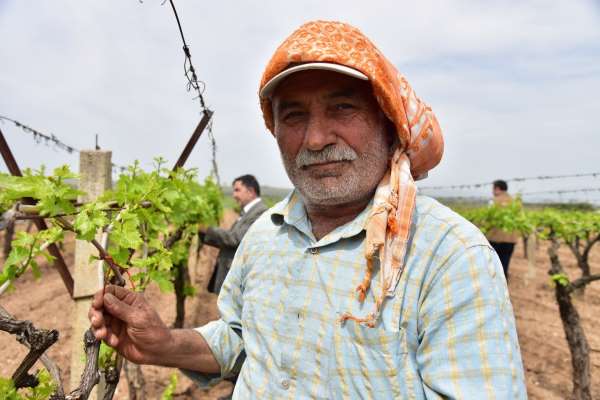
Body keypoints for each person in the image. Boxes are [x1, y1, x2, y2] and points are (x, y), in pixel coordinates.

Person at [89, 21, 526, 399]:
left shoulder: (450, 257)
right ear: (275, 131)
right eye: (294, 116)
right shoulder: (264, 235)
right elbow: (241, 341)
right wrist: (164, 343)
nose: (316, 138)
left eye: (343, 107)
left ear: (388, 122)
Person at [201, 174, 267, 295]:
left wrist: (208, 230)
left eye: (237, 190)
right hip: (233, 277)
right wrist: (202, 234)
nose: (234, 195)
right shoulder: (249, 213)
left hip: (238, 281)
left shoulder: (260, 213)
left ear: (251, 191)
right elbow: (230, 242)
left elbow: (235, 239)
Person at [487, 179, 519, 279]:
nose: (492, 191)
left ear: (497, 189)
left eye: (493, 189)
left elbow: (488, 218)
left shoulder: (493, 201)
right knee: (505, 265)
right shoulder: (515, 202)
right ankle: (504, 287)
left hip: (495, 239)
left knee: (493, 266)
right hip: (511, 240)